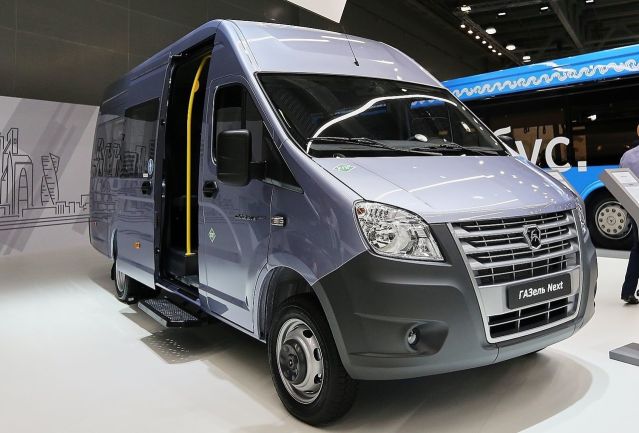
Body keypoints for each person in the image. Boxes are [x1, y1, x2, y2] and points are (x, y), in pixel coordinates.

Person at [619, 124, 639, 304]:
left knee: (637, 246)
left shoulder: (627, 156)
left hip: (633, 205)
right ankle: (628, 290)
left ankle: (628, 290)